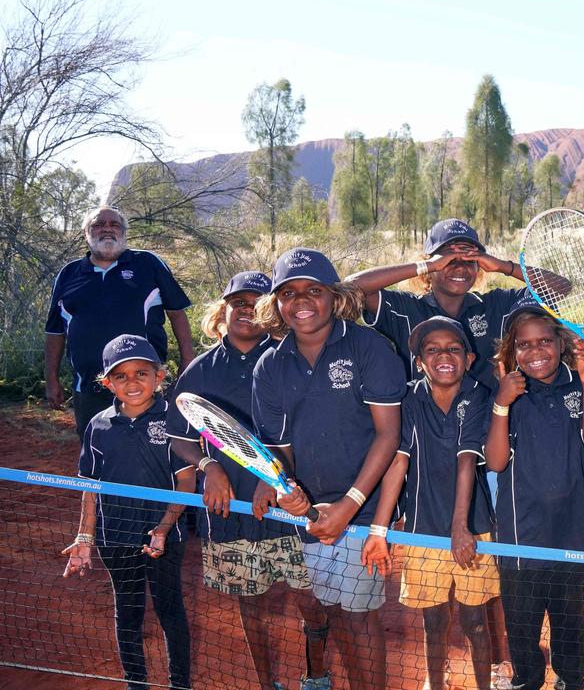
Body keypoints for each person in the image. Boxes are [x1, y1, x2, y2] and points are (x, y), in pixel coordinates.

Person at [165, 271, 331, 690]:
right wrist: (210, 468)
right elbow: (180, 440)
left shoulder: (289, 359)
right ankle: (264, 684)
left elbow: (309, 430)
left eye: (254, 301)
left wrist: (275, 477)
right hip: (230, 513)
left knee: (311, 603)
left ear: (269, 312)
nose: (244, 309)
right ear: (223, 311)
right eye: (236, 301)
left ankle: (316, 676)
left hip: (290, 508)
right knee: (250, 606)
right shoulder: (200, 371)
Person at [251, 248, 405, 690]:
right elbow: (280, 453)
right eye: (289, 292)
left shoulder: (369, 348)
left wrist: (349, 505)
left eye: (313, 290)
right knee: (335, 614)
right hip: (315, 519)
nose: (302, 301)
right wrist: (287, 491)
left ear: (333, 297)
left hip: (363, 512)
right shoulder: (270, 366)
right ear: (277, 303)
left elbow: (389, 437)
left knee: (359, 619)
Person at [361, 316, 501, 690]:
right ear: (420, 361)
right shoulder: (407, 398)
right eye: (432, 349)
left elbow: (467, 458)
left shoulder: (478, 395)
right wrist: (380, 527)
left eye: (454, 349)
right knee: (433, 621)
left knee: (474, 621)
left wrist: (461, 527)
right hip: (422, 531)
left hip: (473, 526)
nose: (444, 355)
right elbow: (398, 460)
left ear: (469, 359)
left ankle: (485, 685)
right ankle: (435, 683)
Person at [485, 299, 584, 690]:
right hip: (521, 537)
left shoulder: (578, 382)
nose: (535, 352)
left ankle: (571, 681)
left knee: (569, 622)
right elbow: (496, 462)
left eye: (544, 341)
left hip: (572, 530)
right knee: (521, 625)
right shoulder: (507, 392)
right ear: (512, 351)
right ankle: (527, 680)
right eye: (524, 345)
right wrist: (501, 404)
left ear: (560, 342)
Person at [62, 334, 194, 690]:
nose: (132, 382)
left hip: (165, 537)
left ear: (159, 376)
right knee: (128, 611)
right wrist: (85, 536)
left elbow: (186, 483)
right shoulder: (98, 426)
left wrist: (164, 528)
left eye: (141, 373)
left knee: (170, 610)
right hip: (114, 537)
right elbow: (89, 486)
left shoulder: (175, 420)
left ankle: (180, 684)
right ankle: (136, 684)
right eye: (121, 376)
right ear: (107, 383)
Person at [45, 205, 196, 437]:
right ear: (86, 233)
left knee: (152, 450)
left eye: (114, 224)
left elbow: (177, 312)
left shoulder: (148, 264)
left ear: (124, 232)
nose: (107, 229)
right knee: (95, 452)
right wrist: (51, 378)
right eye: (98, 224)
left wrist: (188, 362)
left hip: (143, 384)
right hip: (88, 387)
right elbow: (55, 332)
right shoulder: (68, 274)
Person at [346, 218, 533, 390]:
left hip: (486, 422)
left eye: (470, 260)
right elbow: (351, 286)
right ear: (431, 264)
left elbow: (559, 288)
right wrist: (425, 266)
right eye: (449, 259)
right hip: (420, 421)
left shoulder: (495, 305)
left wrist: (503, 266)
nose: (460, 267)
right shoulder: (405, 309)